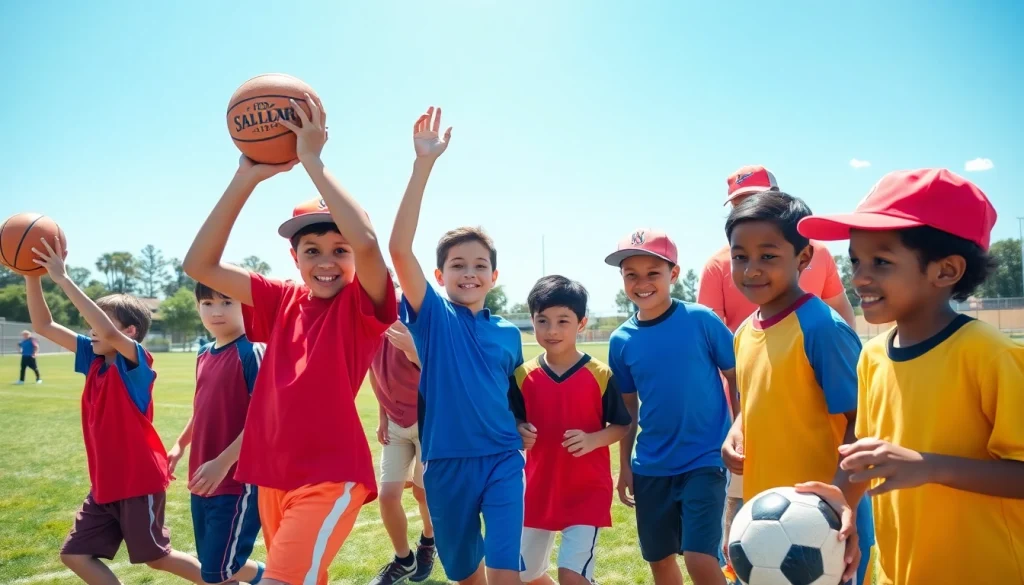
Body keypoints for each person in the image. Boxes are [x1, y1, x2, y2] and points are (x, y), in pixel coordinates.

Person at [183, 94, 396, 585]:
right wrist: (246, 178)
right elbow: (200, 266)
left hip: (329, 475)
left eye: (338, 250)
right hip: (271, 476)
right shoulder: (281, 300)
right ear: (294, 257)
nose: (326, 260)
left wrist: (312, 162)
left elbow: (367, 242)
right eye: (312, 249)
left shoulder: (362, 304)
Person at [796, 168, 1024, 585]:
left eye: (881, 262)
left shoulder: (992, 355)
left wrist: (932, 467)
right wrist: (840, 506)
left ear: (947, 270)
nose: (859, 277)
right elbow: (864, 454)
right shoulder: (873, 357)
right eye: (856, 261)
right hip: (898, 573)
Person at [696, 165, 856, 580]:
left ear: (804, 257)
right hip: (765, 526)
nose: (751, 270)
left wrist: (842, 500)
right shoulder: (745, 333)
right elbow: (754, 402)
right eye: (740, 257)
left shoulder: (822, 329)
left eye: (768, 256)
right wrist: (736, 431)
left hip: (825, 530)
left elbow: (864, 424)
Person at [389, 106, 525, 585]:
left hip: (505, 458)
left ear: (494, 274)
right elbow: (399, 250)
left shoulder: (509, 334)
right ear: (440, 275)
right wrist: (422, 165)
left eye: (479, 264)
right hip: (446, 464)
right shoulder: (434, 317)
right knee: (466, 575)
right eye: (458, 264)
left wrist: (523, 424)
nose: (469, 272)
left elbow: (512, 392)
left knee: (507, 571)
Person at [26, 237, 202, 584]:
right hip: (105, 484)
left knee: (157, 558)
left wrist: (63, 278)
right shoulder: (94, 360)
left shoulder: (136, 364)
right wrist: (31, 274)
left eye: (100, 321)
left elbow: (105, 329)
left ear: (130, 332)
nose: (92, 329)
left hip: (137, 482)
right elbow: (44, 326)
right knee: (74, 554)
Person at [607, 228, 736, 585]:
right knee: (660, 560)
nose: (642, 283)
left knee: (699, 557)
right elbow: (629, 410)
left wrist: (739, 430)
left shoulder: (702, 320)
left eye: (653, 273)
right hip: (650, 466)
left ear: (673, 274)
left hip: (705, 459)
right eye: (631, 274)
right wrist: (625, 467)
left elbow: (736, 377)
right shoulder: (621, 341)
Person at [508, 275, 631, 585]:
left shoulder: (600, 375)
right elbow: (514, 420)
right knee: (524, 575)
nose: (552, 330)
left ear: (581, 323)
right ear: (532, 323)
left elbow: (621, 425)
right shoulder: (523, 376)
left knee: (572, 575)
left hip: (586, 491)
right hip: (538, 490)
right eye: (543, 320)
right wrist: (520, 429)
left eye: (563, 320)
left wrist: (594, 439)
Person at [166, 283, 265, 584]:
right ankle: (272, 576)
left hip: (238, 482)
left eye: (226, 301)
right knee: (218, 567)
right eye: (207, 303)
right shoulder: (203, 354)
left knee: (214, 574)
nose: (216, 311)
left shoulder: (253, 350)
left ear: (246, 306)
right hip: (203, 479)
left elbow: (266, 419)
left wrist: (223, 463)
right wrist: (180, 446)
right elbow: (201, 409)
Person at [367, 284, 436, 585]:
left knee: (423, 493)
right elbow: (373, 370)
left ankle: (428, 542)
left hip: (427, 420)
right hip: (394, 423)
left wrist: (412, 346)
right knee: (387, 496)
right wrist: (382, 416)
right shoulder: (364, 320)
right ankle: (404, 559)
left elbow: (433, 368)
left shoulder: (409, 313)